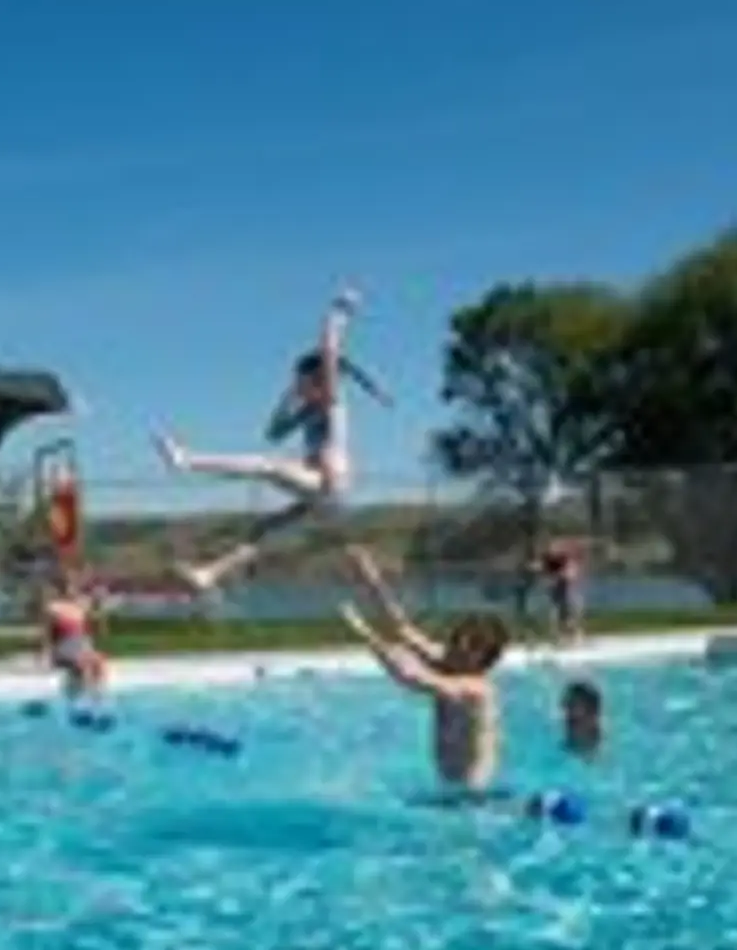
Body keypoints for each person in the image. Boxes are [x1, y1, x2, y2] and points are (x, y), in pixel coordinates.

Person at [156, 288, 388, 596]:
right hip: (319, 493)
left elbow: (329, 349)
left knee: (266, 466)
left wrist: (339, 311)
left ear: (317, 380)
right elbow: (274, 433)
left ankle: (186, 460)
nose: (299, 389)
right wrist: (288, 393)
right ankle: (208, 574)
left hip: (330, 483)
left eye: (302, 383)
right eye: (297, 385)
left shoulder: (332, 400)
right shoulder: (307, 410)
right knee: (264, 532)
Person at [338, 544, 510, 794]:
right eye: (454, 641)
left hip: (471, 798)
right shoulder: (450, 663)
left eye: (462, 647)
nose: (452, 649)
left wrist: (364, 632)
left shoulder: (477, 690)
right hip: (450, 791)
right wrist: (371, 579)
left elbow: (411, 677)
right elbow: (402, 628)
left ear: (481, 659)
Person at [39, 568, 110, 698]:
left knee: (98, 661)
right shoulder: (53, 608)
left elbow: (96, 614)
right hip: (64, 649)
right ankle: (78, 697)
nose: (72, 590)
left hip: (82, 647)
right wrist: (46, 654)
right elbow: (47, 634)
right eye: (69, 586)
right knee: (83, 665)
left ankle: (97, 698)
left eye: (73, 586)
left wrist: (99, 601)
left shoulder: (80, 605)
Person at [540, 540, 586, 644]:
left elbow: (571, 575)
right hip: (559, 591)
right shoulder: (551, 562)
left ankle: (574, 636)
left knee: (570, 613)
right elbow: (548, 578)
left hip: (565, 590)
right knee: (558, 613)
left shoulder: (563, 561)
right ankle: (559, 636)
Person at [560, 680, 603, 758]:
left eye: (575, 720)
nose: (568, 717)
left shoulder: (607, 754)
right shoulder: (558, 753)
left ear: (592, 715)